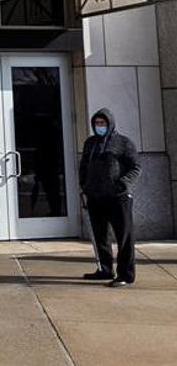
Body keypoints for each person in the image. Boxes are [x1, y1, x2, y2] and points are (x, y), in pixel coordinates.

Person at [79, 108, 141, 287]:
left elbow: (136, 167)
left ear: (110, 123)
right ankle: (105, 269)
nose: (100, 126)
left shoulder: (123, 143)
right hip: (95, 196)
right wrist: (84, 186)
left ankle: (125, 275)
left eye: (103, 123)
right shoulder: (90, 143)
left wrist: (122, 184)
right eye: (97, 123)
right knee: (100, 236)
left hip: (118, 197)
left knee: (124, 236)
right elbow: (84, 166)